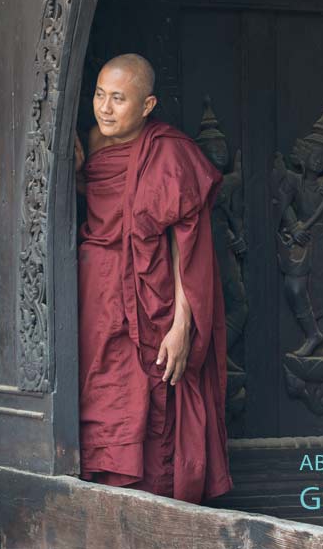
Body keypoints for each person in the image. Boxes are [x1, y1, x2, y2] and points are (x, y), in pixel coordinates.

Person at [75, 54, 233, 503]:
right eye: (100, 95)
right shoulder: (91, 143)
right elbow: (105, 202)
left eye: (118, 99)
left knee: (155, 405)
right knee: (103, 402)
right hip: (98, 302)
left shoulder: (169, 152)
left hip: (153, 305)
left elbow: (189, 250)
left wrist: (182, 326)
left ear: (147, 106)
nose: (105, 108)